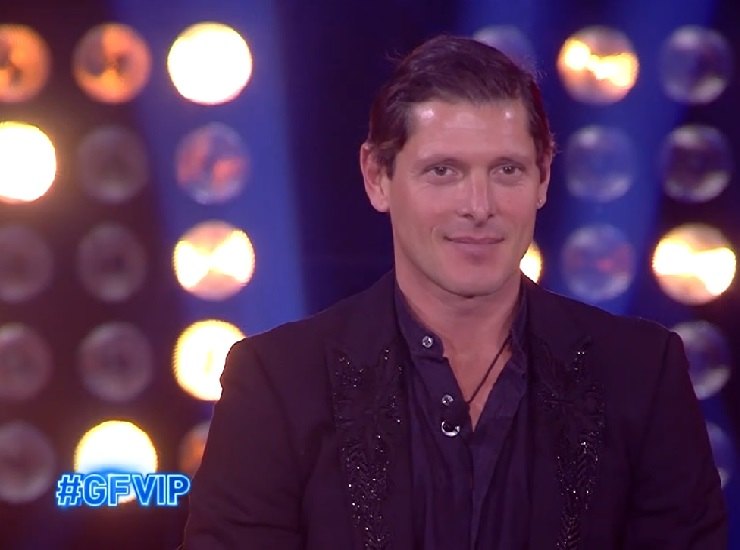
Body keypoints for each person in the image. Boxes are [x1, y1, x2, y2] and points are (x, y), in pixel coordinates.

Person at [182, 35, 726, 549]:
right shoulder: (278, 380)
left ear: (543, 177)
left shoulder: (641, 372)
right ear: (377, 176)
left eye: (507, 170)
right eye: (443, 171)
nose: (479, 206)